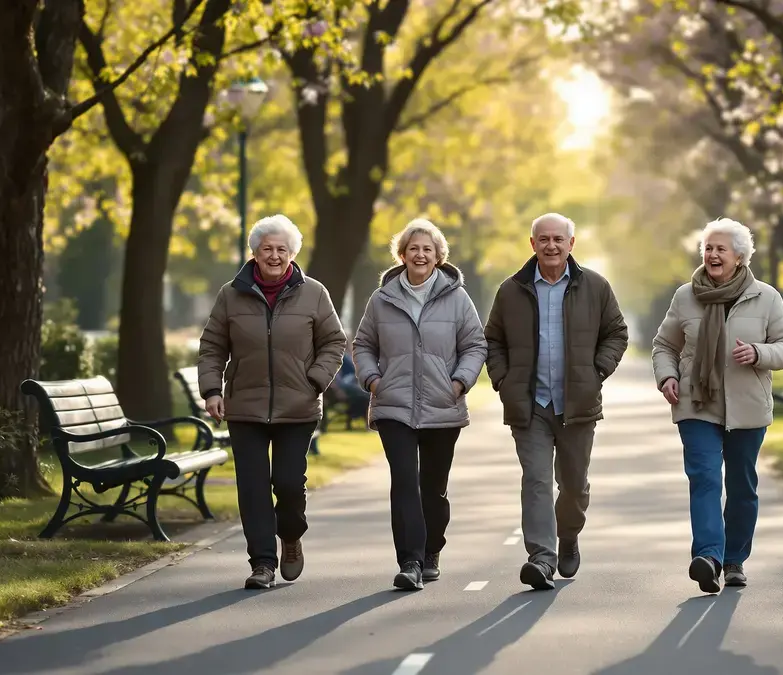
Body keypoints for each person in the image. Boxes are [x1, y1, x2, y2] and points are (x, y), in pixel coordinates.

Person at [198, 214, 347, 590]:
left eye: (282, 249)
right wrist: (212, 390)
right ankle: (262, 562)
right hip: (245, 406)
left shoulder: (313, 292)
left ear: (293, 253)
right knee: (252, 486)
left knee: (288, 484)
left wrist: (314, 379)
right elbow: (213, 346)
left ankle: (291, 535)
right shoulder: (230, 294)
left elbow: (334, 342)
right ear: (255, 253)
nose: (275, 255)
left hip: (297, 407)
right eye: (267, 249)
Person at [651, 217, 783, 593]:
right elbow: (664, 345)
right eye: (708, 248)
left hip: (747, 407)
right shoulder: (686, 295)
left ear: (740, 257)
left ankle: (734, 559)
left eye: (721, 248)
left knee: (742, 486)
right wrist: (667, 376)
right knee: (704, 478)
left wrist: (759, 352)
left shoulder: (766, 297)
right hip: (696, 403)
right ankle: (708, 557)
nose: (713, 254)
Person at [484, 212, 629, 590]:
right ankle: (542, 558)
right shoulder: (511, 290)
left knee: (574, 486)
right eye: (543, 239)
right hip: (530, 405)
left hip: (577, 405)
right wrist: (503, 380)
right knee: (535, 480)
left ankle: (568, 536)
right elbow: (492, 340)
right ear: (532, 244)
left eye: (558, 240)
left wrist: (596, 372)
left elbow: (617, 332)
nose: (551, 246)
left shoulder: (595, 287)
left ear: (570, 244)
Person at [351, 218, 487, 591]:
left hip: (443, 405)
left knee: (433, 488)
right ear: (403, 254)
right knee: (405, 482)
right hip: (393, 403)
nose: (421, 255)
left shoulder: (457, 298)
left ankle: (431, 551)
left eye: (428, 249)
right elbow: (363, 344)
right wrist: (373, 380)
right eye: (414, 248)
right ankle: (409, 561)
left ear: (439, 256)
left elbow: (475, 344)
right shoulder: (382, 299)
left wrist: (459, 383)